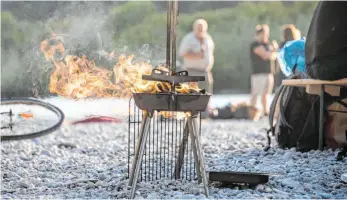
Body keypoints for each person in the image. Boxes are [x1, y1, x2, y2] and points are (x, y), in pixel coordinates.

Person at [178, 18, 215, 94]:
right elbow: (182, 53)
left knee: (206, 95)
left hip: (205, 72)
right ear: (195, 27)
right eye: (199, 28)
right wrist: (197, 55)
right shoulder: (188, 38)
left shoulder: (208, 39)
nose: (201, 30)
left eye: (202, 28)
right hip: (192, 72)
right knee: (191, 96)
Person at [249, 24, 278, 116]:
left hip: (268, 72)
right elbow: (265, 55)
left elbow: (273, 56)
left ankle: (265, 111)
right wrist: (273, 50)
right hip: (258, 73)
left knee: (266, 94)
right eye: (264, 34)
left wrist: (273, 51)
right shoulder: (255, 44)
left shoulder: (267, 45)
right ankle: (253, 112)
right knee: (256, 93)